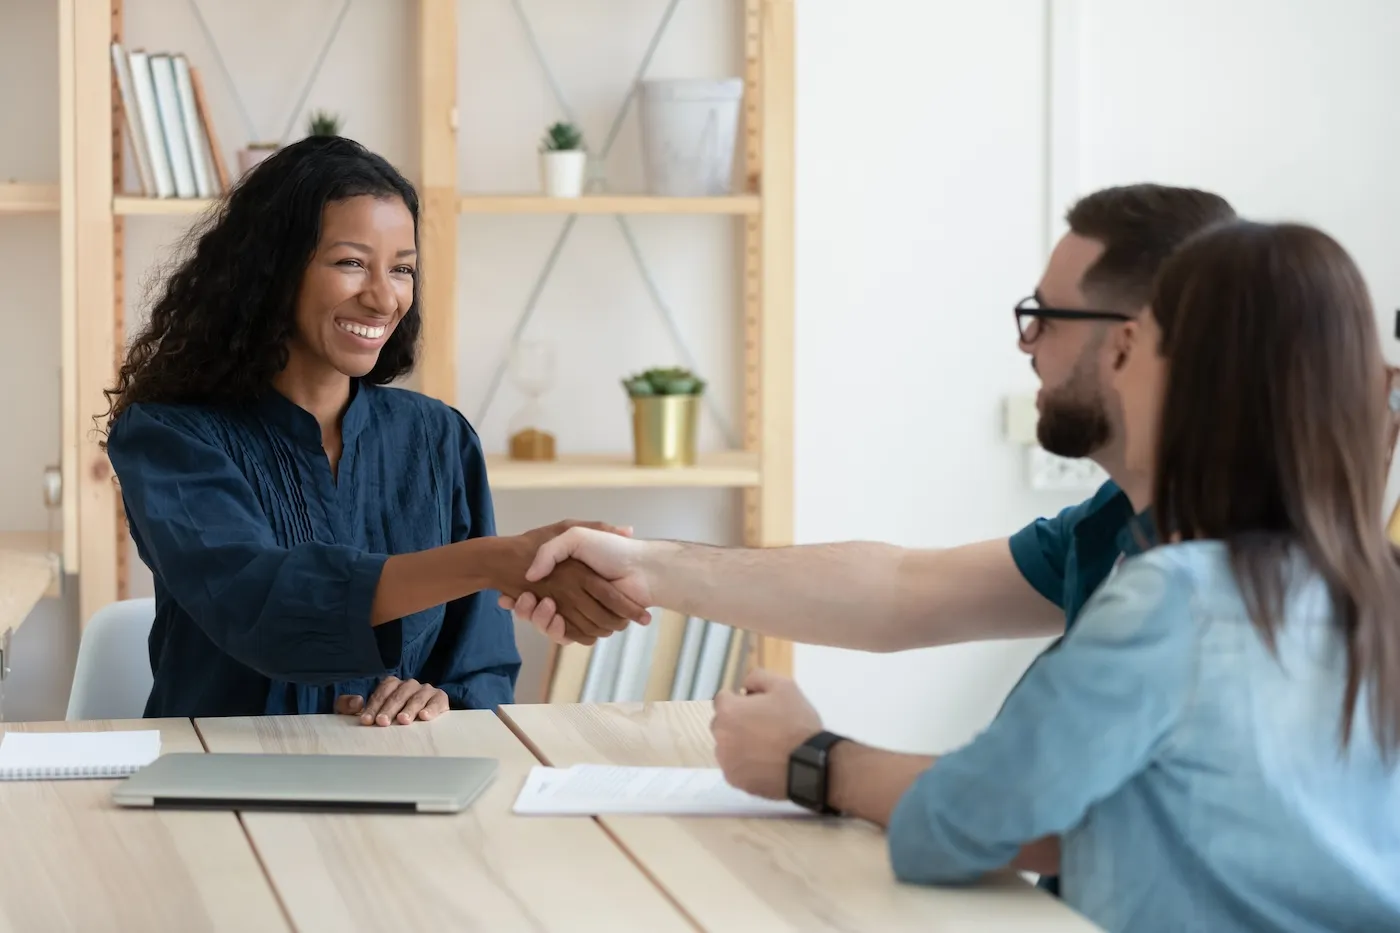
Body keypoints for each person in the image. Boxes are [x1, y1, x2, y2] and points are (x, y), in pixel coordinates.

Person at [500, 183, 1235, 881]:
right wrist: (645, 565)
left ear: (1126, 346)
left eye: (1045, 315)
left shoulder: (1211, 574)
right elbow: (902, 590)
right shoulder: (1111, 525)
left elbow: (1036, 814)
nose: (1027, 342)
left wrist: (813, 760)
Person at [720, 220, 1400, 931]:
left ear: (1189, 379)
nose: (1116, 364)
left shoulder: (1176, 600)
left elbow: (967, 819)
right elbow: (901, 591)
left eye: (1137, 345)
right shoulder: (1372, 592)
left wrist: (809, 756)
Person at [101, 136, 648, 723]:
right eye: (351, 262)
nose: (385, 297)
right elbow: (262, 606)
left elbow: (478, 671)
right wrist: (492, 559)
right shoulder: (167, 437)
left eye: (403, 269)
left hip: (403, 777)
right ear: (273, 271)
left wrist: (440, 701)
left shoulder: (439, 440)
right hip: (214, 782)